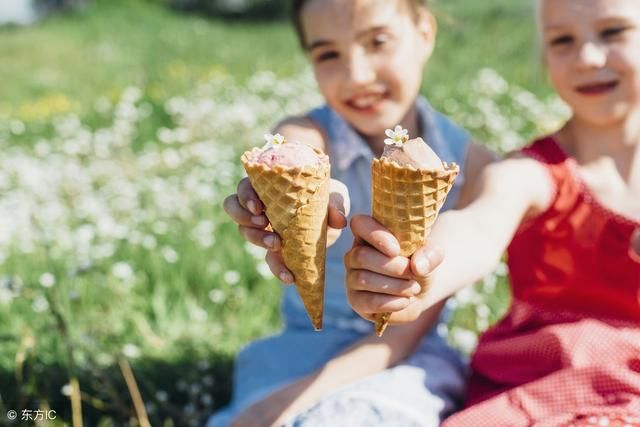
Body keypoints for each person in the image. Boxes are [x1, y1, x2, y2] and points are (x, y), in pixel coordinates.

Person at [345, 0, 640, 425]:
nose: (587, 57)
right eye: (562, 40)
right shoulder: (531, 174)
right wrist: (413, 275)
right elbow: (476, 228)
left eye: (613, 32)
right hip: (544, 390)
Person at [213, 0, 497, 425]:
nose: (357, 76)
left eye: (377, 41)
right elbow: (301, 154)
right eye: (328, 54)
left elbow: (401, 335)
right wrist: (318, 203)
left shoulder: (471, 166)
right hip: (303, 346)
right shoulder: (310, 132)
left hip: (405, 356)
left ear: (424, 34)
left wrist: (292, 401)